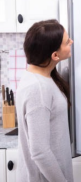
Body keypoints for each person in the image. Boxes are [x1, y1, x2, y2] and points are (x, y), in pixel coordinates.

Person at [16, 19, 74, 182]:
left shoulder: (38, 77)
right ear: (55, 55)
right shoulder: (38, 89)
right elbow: (39, 151)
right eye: (67, 41)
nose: (72, 42)